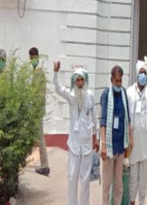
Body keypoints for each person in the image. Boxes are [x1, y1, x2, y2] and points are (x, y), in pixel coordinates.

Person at [53, 61, 99, 205]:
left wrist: (97, 138)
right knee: (72, 177)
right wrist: (55, 72)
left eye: (81, 80)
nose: (79, 82)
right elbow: (58, 88)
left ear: (85, 81)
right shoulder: (70, 95)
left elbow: (95, 117)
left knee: (85, 180)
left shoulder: (90, 96)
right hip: (73, 144)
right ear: (74, 81)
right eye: (77, 80)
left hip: (86, 146)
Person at [127, 36, 147, 205]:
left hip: (145, 141)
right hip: (133, 142)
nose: (143, 76)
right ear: (136, 74)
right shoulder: (129, 92)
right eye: (141, 73)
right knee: (133, 175)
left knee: (144, 176)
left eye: (144, 73)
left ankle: (142, 201)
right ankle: (132, 201)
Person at [100, 65, 133, 205]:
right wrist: (103, 145)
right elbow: (103, 122)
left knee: (119, 185)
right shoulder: (106, 95)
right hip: (109, 146)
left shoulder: (124, 93)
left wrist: (130, 137)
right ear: (111, 80)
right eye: (116, 81)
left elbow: (128, 118)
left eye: (120, 81)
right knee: (107, 185)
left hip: (120, 146)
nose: (119, 84)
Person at [29, 47, 50, 176]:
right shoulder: (36, 71)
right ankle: (43, 164)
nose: (32, 60)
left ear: (37, 57)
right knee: (37, 136)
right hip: (37, 109)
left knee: (40, 137)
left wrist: (35, 110)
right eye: (31, 58)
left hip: (37, 110)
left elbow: (37, 94)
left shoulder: (38, 72)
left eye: (33, 58)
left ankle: (45, 165)